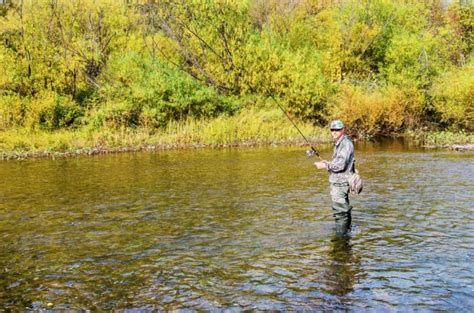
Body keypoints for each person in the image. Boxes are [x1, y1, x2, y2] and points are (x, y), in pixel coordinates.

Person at [314, 120, 355, 236]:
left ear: (343, 130)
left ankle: (341, 239)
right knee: (344, 209)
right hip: (340, 181)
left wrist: (325, 165)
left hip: (341, 183)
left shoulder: (345, 144)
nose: (334, 132)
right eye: (332, 129)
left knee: (340, 211)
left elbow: (341, 165)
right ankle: (347, 233)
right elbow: (339, 162)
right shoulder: (340, 142)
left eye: (337, 129)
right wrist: (328, 162)